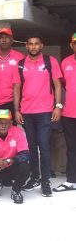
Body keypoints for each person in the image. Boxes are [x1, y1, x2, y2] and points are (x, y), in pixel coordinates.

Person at [13, 35, 62, 197]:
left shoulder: (50, 61)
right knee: (31, 148)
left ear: (41, 45)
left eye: (36, 44)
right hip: (27, 113)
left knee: (44, 147)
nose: (33, 47)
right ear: (26, 46)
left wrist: (58, 106)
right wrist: (17, 111)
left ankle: (45, 180)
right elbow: (17, 89)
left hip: (45, 112)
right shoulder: (21, 65)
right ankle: (34, 177)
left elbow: (57, 85)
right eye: (30, 44)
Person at [0, 28, 24, 122]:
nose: (4, 40)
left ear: (12, 40)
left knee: (10, 132)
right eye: (1, 37)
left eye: (7, 37)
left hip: (11, 102)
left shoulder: (20, 58)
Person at [54, 33, 76, 192]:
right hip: (69, 113)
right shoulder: (65, 63)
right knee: (72, 147)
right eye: (75, 43)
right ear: (71, 45)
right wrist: (58, 105)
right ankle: (71, 180)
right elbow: (59, 86)